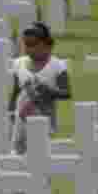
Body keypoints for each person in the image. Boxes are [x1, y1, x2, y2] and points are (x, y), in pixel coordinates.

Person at [8, 22, 70, 154]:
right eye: (26, 44)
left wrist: (48, 91)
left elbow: (66, 93)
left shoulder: (58, 66)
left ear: (45, 44)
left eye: (33, 44)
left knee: (39, 152)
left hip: (43, 115)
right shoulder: (18, 64)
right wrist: (11, 110)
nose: (28, 48)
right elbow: (16, 91)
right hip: (22, 116)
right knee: (18, 151)